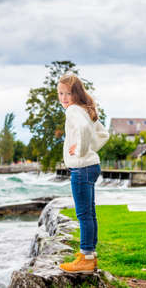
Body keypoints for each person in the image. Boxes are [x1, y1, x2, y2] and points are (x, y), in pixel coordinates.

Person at [57, 73, 109, 274]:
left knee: (84, 215)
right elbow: (103, 134)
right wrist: (88, 148)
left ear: (76, 93)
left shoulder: (73, 111)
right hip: (91, 166)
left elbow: (84, 130)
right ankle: (90, 255)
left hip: (82, 167)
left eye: (68, 93)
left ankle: (86, 258)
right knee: (90, 214)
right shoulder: (85, 109)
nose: (63, 98)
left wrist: (79, 149)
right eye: (60, 93)